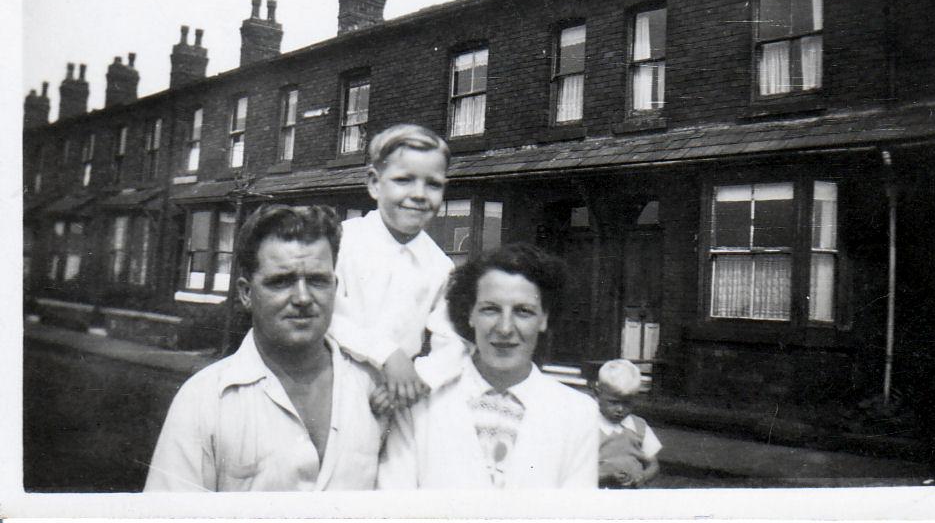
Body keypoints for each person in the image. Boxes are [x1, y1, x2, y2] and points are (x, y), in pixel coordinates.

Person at [144, 205, 383, 491]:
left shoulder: (374, 388)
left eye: (318, 280)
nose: (303, 298)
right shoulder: (203, 400)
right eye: (281, 282)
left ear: (335, 286)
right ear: (246, 293)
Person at [377, 243, 599, 489]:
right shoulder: (418, 405)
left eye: (523, 311)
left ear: (544, 318)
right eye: (490, 309)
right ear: (470, 313)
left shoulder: (578, 414)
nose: (504, 328)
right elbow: (394, 506)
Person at [330, 124, 466, 411]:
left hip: (397, 395)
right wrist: (387, 353)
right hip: (329, 380)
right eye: (404, 180)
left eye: (433, 184)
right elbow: (326, 314)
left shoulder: (439, 265)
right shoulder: (342, 242)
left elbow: (453, 340)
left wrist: (419, 379)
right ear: (374, 183)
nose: (419, 194)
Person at [595, 359, 662, 489]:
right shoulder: (590, 426)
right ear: (598, 394)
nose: (620, 409)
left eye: (627, 403)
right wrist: (607, 476)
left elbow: (653, 465)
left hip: (632, 495)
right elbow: (579, 471)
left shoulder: (638, 426)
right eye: (613, 402)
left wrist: (643, 477)